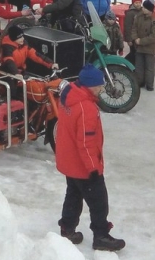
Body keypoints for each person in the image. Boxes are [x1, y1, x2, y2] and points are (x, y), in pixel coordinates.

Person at [55, 64, 126, 252]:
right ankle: (101, 236)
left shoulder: (69, 95)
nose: (102, 88)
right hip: (83, 166)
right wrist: (93, 168)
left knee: (73, 195)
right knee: (99, 201)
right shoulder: (86, 108)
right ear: (90, 85)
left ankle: (67, 229)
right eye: (100, 85)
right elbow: (86, 143)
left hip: (68, 161)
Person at [0, 25, 58, 98]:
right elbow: (9, 61)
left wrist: (51, 63)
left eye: (22, 36)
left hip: (21, 72)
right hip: (9, 74)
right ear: (13, 39)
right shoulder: (7, 48)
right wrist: (16, 73)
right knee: (13, 93)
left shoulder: (24, 44)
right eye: (19, 37)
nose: (22, 39)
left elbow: (35, 55)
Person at [131, 0, 155, 91]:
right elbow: (134, 28)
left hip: (149, 48)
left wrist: (141, 41)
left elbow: (154, 36)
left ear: (149, 9)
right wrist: (135, 38)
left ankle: (149, 84)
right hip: (139, 47)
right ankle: (140, 82)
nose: (142, 8)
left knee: (149, 67)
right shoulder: (139, 16)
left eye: (144, 7)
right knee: (139, 66)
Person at [123, 0, 143, 65]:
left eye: (139, 3)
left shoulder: (142, 11)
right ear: (133, 3)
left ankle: (133, 65)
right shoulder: (130, 13)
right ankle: (126, 63)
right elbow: (127, 27)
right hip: (132, 37)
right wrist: (129, 39)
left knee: (137, 53)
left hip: (139, 36)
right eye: (136, 3)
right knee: (133, 52)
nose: (138, 4)